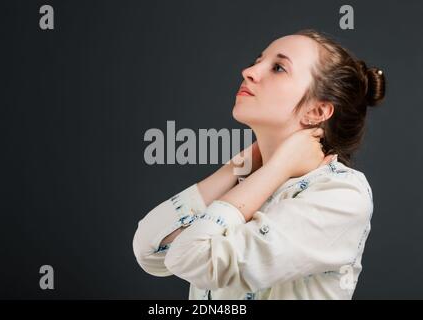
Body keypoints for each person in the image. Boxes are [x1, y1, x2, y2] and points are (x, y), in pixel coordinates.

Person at [133, 29, 386, 300]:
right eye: (258, 60)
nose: (248, 71)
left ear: (317, 111)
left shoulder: (341, 195)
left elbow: (192, 258)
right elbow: (150, 251)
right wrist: (239, 166)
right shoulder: (247, 181)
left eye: (278, 68)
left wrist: (277, 168)